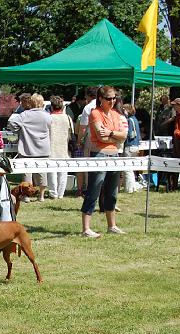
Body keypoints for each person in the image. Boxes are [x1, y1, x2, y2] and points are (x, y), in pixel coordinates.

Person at [81, 86, 127, 238]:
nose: (112, 101)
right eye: (109, 98)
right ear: (100, 99)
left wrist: (111, 133)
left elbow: (124, 135)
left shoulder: (115, 114)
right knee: (94, 191)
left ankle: (112, 225)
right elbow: (101, 137)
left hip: (114, 155)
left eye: (114, 98)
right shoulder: (95, 113)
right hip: (99, 155)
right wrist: (115, 136)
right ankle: (86, 228)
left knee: (112, 192)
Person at [8, 93, 51, 201]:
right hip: (43, 149)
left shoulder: (26, 115)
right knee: (42, 172)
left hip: (27, 147)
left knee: (27, 172)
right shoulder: (47, 115)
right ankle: (41, 196)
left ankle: (26, 196)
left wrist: (18, 130)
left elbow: (11, 122)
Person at [47, 95, 74, 199]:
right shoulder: (67, 118)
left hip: (51, 147)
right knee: (63, 172)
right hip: (64, 147)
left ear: (52, 106)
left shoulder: (49, 118)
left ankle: (53, 193)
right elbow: (71, 134)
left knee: (52, 172)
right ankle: (61, 193)